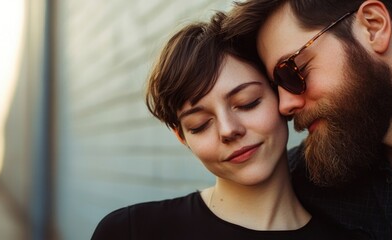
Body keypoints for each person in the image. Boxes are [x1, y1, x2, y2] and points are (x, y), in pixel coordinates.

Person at [222, 0, 392, 239]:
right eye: (275, 87)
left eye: (291, 72)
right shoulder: (304, 180)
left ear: (373, 26)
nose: (285, 105)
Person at [90, 12, 362, 240]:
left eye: (247, 103)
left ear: (280, 97)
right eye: (199, 125)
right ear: (181, 136)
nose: (228, 130)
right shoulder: (131, 232)